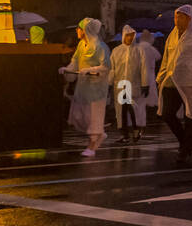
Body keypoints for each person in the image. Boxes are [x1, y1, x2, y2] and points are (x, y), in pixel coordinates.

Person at [156, 5, 192, 166]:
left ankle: (185, 151)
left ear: (189, 19)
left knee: (190, 117)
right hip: (171, 81)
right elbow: (166, 57)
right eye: (176, 17)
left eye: (180, 17)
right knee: (167, 114)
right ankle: (184, 141)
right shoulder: (171, 36)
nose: (177, 20)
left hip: (189, 83)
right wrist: (161, 76)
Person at [62, 17, 110, 157]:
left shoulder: (100, 47)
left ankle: (93, 145)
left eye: (79, 28)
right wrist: (67, 70)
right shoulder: (81, 46)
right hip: (83, 88)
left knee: (93, 117)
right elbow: (75, 62)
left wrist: (90, 70)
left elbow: (106, 66)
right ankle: (99, 132)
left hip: (97, 88)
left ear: (85, 30)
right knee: (78, 116)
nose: (77, 31)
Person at [110, 24, 149, 144]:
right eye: (128, 36)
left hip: (134, 84)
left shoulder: (139, 50)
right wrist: (109, 82)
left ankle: (135, 130)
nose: (130, 38)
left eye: (132, 36)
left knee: (132, 108)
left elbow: (144, 68)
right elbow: (112, 68)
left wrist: (145, 83)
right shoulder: (116, 51)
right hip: (120, 84)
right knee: (121, 111)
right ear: (123, 36)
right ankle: (125, 134)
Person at [138, 30, 161, 111]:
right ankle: (152, 108)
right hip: (150, 73)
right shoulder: (151, 48)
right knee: (151, 92)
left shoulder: (137, 47)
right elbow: (158, 57)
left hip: (140, 73)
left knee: (141, 95)